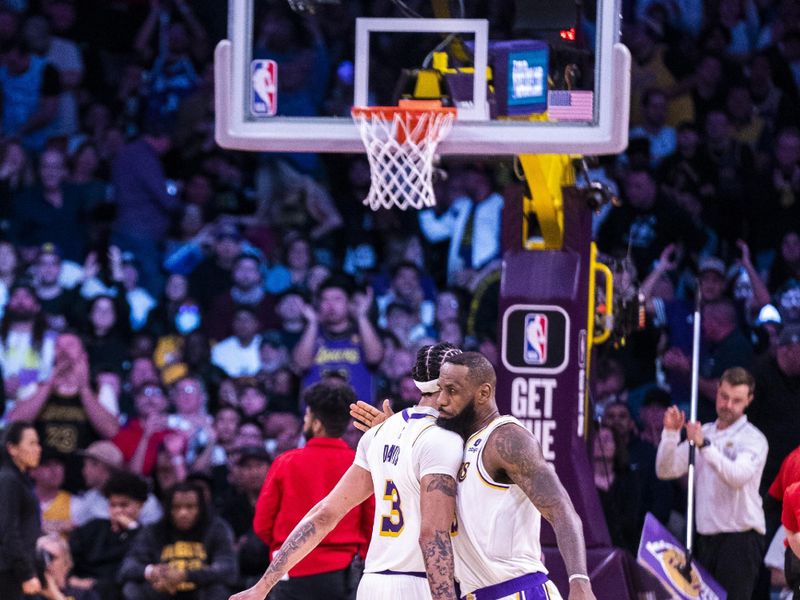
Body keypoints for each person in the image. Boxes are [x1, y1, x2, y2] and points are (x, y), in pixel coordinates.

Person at [232, 343, 466, 600]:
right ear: (453, 383)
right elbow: (433, 534)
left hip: (373, 584)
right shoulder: (445, 439)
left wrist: (262, 586)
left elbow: (323, 515)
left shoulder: (379, 434)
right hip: (423, 581)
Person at [434, 352, 594, 600]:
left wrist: (579, 581)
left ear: (483, 393)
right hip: (476, 593)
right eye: (440, 389)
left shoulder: (506, 438)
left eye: (452, 391)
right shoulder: (456, 443)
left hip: (517, 590)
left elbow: (561, 509)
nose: (441, 400)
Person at [252, 380, 373, 600]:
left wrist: (284, 547)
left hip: (289, 572)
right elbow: (370, 525)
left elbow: (262, 525)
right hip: (342, 574)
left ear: (316, 424)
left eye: (306, 417)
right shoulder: (360, 464)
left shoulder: (285, 462)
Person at [656, 367, 767, 599]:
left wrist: (705, 445)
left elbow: (737, 476)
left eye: (736, 400)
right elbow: (666, 470)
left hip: (740, 538)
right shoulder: (704, 432)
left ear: (749, 400)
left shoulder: (754, 439)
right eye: (724, 396)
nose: (728, 405)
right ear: (717, 391)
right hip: (705, 538)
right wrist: (670, 434)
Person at [119, 481, 237, 600]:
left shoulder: (217, 528)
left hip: (201, 590)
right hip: (162, 591)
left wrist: (186, 575)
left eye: (190, 507)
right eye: (176, 507)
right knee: (131, 588)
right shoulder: (153, 530)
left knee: (219, 589)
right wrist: (153, 571)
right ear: (168, 509)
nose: (183, 513)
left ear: (201, 508)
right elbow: (128, 567)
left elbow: (227, 569)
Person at [69, 471, 150, 600]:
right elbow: (71, 556)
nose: (117, 511)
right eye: (113, 505)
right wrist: (73, 578)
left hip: (117, 591)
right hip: (81, 587)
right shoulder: (93, 527)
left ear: (140, 506)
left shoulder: (146, 535)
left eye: (124, 505)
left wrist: (132, 528)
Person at [0, 421, 43, 600]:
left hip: (16, 568)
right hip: (8, 572)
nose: (38, 449)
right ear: (12, 448)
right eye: (31, 443)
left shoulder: (21, 480)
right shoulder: (8, 480)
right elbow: (8, 531)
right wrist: (26, 574)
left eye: (38, 443)